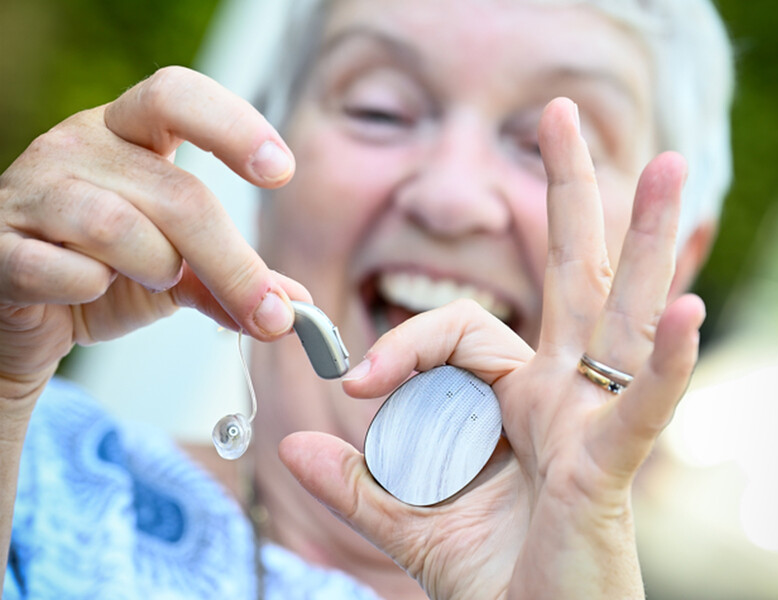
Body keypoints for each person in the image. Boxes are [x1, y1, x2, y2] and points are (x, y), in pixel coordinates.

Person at [0, 0, 734, 598]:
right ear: (259, 184)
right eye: (380, 110)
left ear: (668, 265)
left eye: (543, 146)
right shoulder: (36, 472)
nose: (450, 198)